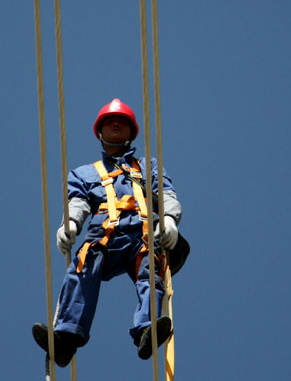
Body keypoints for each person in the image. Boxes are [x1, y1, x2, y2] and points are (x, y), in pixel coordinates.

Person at [32, 98, 184, 367]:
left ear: (131, 132)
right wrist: (68, 225)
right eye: (110, 122)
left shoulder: (147, 167)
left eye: (123, 122)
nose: (116, 123)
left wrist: (170, 220)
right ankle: (66, 338)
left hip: (143, 234)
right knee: (83, 266)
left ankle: (147, 331)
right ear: (100, 132)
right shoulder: (84, 173)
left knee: (151, 271)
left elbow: (167, 195)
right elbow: (77, 203)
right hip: (105, 235)